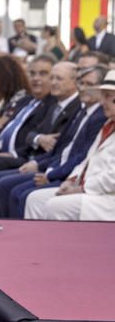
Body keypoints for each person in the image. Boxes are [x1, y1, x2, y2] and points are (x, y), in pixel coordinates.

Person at [0, 65, 107, 218]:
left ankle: (18, 236)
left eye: (89, 84)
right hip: (53, 166)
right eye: (81, 83)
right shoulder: (82, 110)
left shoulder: (99, 115)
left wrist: (50, 174)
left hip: (66, 174)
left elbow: (82, 156)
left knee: (18, 192)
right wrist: (39, 164)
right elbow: (60, 148)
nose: (83, 88)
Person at [25, 69, 115, 220]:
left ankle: (58, 244)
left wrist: (81, 188)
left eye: (109, 98)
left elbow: (112, 178)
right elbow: (87, 160)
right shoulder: (108, 124)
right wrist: (71, 180)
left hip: (106, 197)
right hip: (89, 189)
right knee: (34, 199)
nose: (102, 102)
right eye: (103, 97)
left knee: (55, 206)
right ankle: (36, 243)